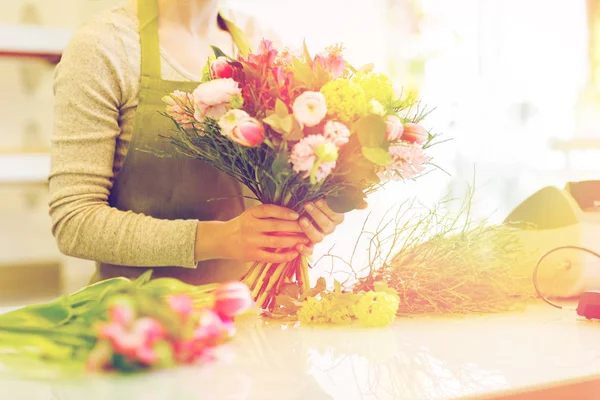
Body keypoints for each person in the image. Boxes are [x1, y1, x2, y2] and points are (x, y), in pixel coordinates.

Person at [49, 0, 351, 285]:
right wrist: (221, 239)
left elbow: (290, 175)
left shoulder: (263, 42)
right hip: (149, 317)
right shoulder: (104, 47)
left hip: (260, 312)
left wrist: (312, 212)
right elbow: (75, 221)